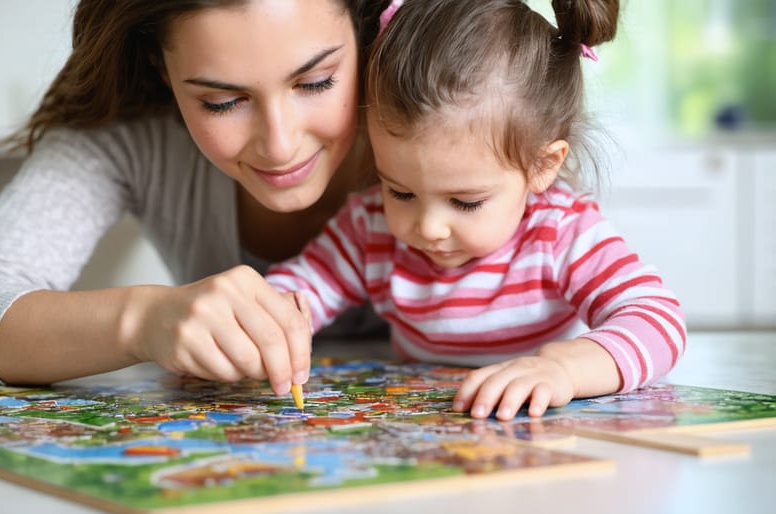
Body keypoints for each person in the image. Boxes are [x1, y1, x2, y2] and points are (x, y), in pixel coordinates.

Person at [0, 0, 396, 395]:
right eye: (222, 102)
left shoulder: (459, 99)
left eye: (315, 82)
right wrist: (142, 321)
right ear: (160, 67)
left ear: (367, 34)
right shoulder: (132, 138)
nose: (280, 144)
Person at [266, 0, 687, 420]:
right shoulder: (370, 225)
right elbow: (302, 290)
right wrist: (270, 319)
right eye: (400, 192)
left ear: (543, 165)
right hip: (421, 433)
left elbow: (657, 320)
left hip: (534, 434)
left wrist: (564, 369)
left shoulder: (560, 231)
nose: (429, 228)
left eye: (465, 202)